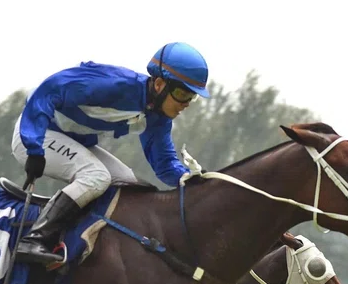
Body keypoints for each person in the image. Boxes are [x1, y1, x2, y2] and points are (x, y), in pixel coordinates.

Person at [11, 42, 210, 265]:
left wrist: (188, 180)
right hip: (36, 132)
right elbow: (47, 90)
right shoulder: (114, 84)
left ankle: (89, 244)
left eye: (191, 97)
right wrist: (34, 146)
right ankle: (34, 239)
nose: (186, 104)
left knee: (131, 185)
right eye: (182, 93)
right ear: (160, 84)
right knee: (97, 176)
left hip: (70, 140)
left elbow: (163, 164)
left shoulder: (158, 117)